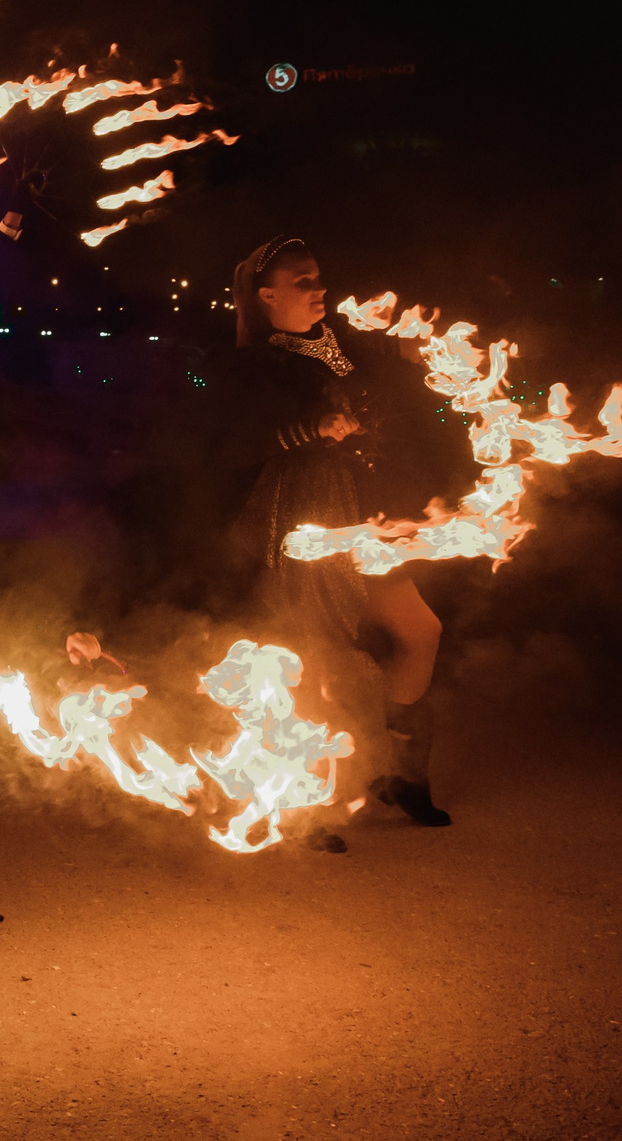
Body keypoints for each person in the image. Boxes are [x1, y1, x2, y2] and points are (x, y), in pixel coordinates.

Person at [223, 234, 459, 832]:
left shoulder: (343, 343)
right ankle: (309, 806)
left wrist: (409, 362)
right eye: (302, 281)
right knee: (317, 656)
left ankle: (403, 776)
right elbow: (234, 444)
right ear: (267, 295)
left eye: (318, 277)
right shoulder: (256, 362)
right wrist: (313, 428)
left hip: (365, 511)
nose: (319, 288)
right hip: (309, 514)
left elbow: (388, 406)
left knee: (419, 631)